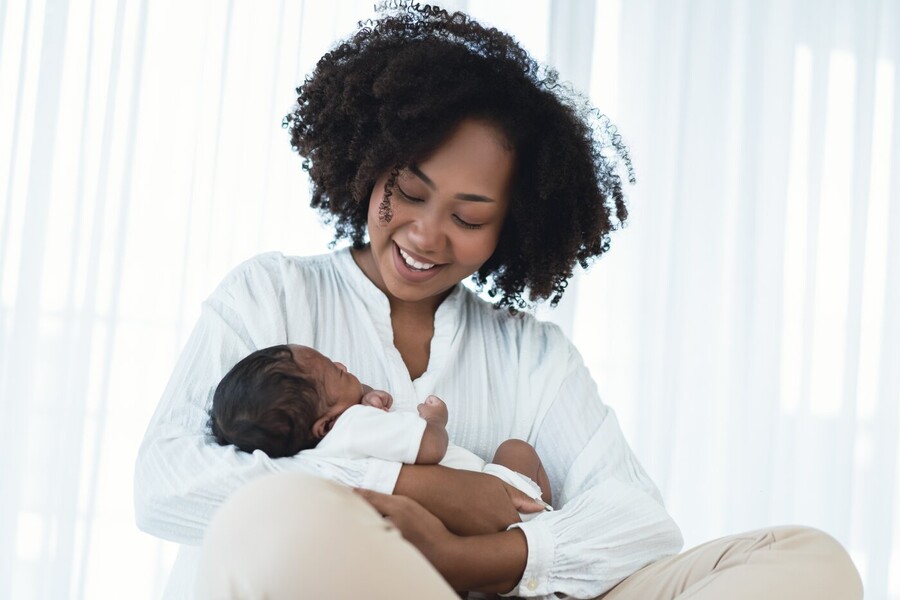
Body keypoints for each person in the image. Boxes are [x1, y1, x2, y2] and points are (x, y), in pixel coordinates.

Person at [134, 3, 862, 599]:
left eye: (469, 216)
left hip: (498, 587)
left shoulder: (532, 355)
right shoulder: (273, 292)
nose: (425, 233)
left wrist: (465, 557)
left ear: (513, 225)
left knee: (807, 563)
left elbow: (640, 526)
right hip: (337, 579)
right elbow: (168, 486)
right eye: (409, 192)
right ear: (368, 163)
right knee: (269, 516)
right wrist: (424, 487)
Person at [208, 343, 553, 517]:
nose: (343, 365)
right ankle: (547, 519)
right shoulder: (356, 426)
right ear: (327, 424)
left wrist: (364, 396)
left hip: (458, 523)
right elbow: (430, 447)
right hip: (495, 499)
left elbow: (358, 418)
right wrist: (436, 420)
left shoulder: (328, 447)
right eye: (336, 372)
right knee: (516, 450)